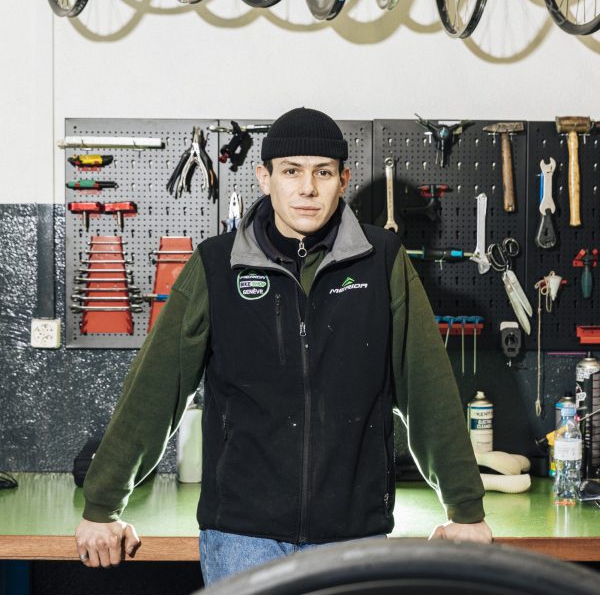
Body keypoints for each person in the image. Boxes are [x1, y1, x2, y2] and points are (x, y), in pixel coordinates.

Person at [75, 107, 492, 585]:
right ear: (264, 177)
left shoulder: (383, 262)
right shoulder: (216, 265)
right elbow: (155, 389)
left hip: (352, 536)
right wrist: (103, 504)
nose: (307, 188)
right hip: (241, 537)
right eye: (291, 171)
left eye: (323, 172)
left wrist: (464, 509)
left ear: (343, 179)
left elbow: (428, 390)